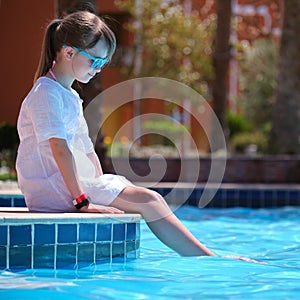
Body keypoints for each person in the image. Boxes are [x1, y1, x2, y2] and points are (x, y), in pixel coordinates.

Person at [16, 11, 259, 261]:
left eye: (103, 63)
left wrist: (102, 186)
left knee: (145, 196)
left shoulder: (70, 96)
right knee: (149, 199)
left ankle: (206, 257)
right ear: (68, 53)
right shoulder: (46, 93)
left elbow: (86, 150)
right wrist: (83, 202)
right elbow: (60, 150)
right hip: (53, 190)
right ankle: (209, 260)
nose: (99, 70)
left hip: (66, 186)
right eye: (95, 61)